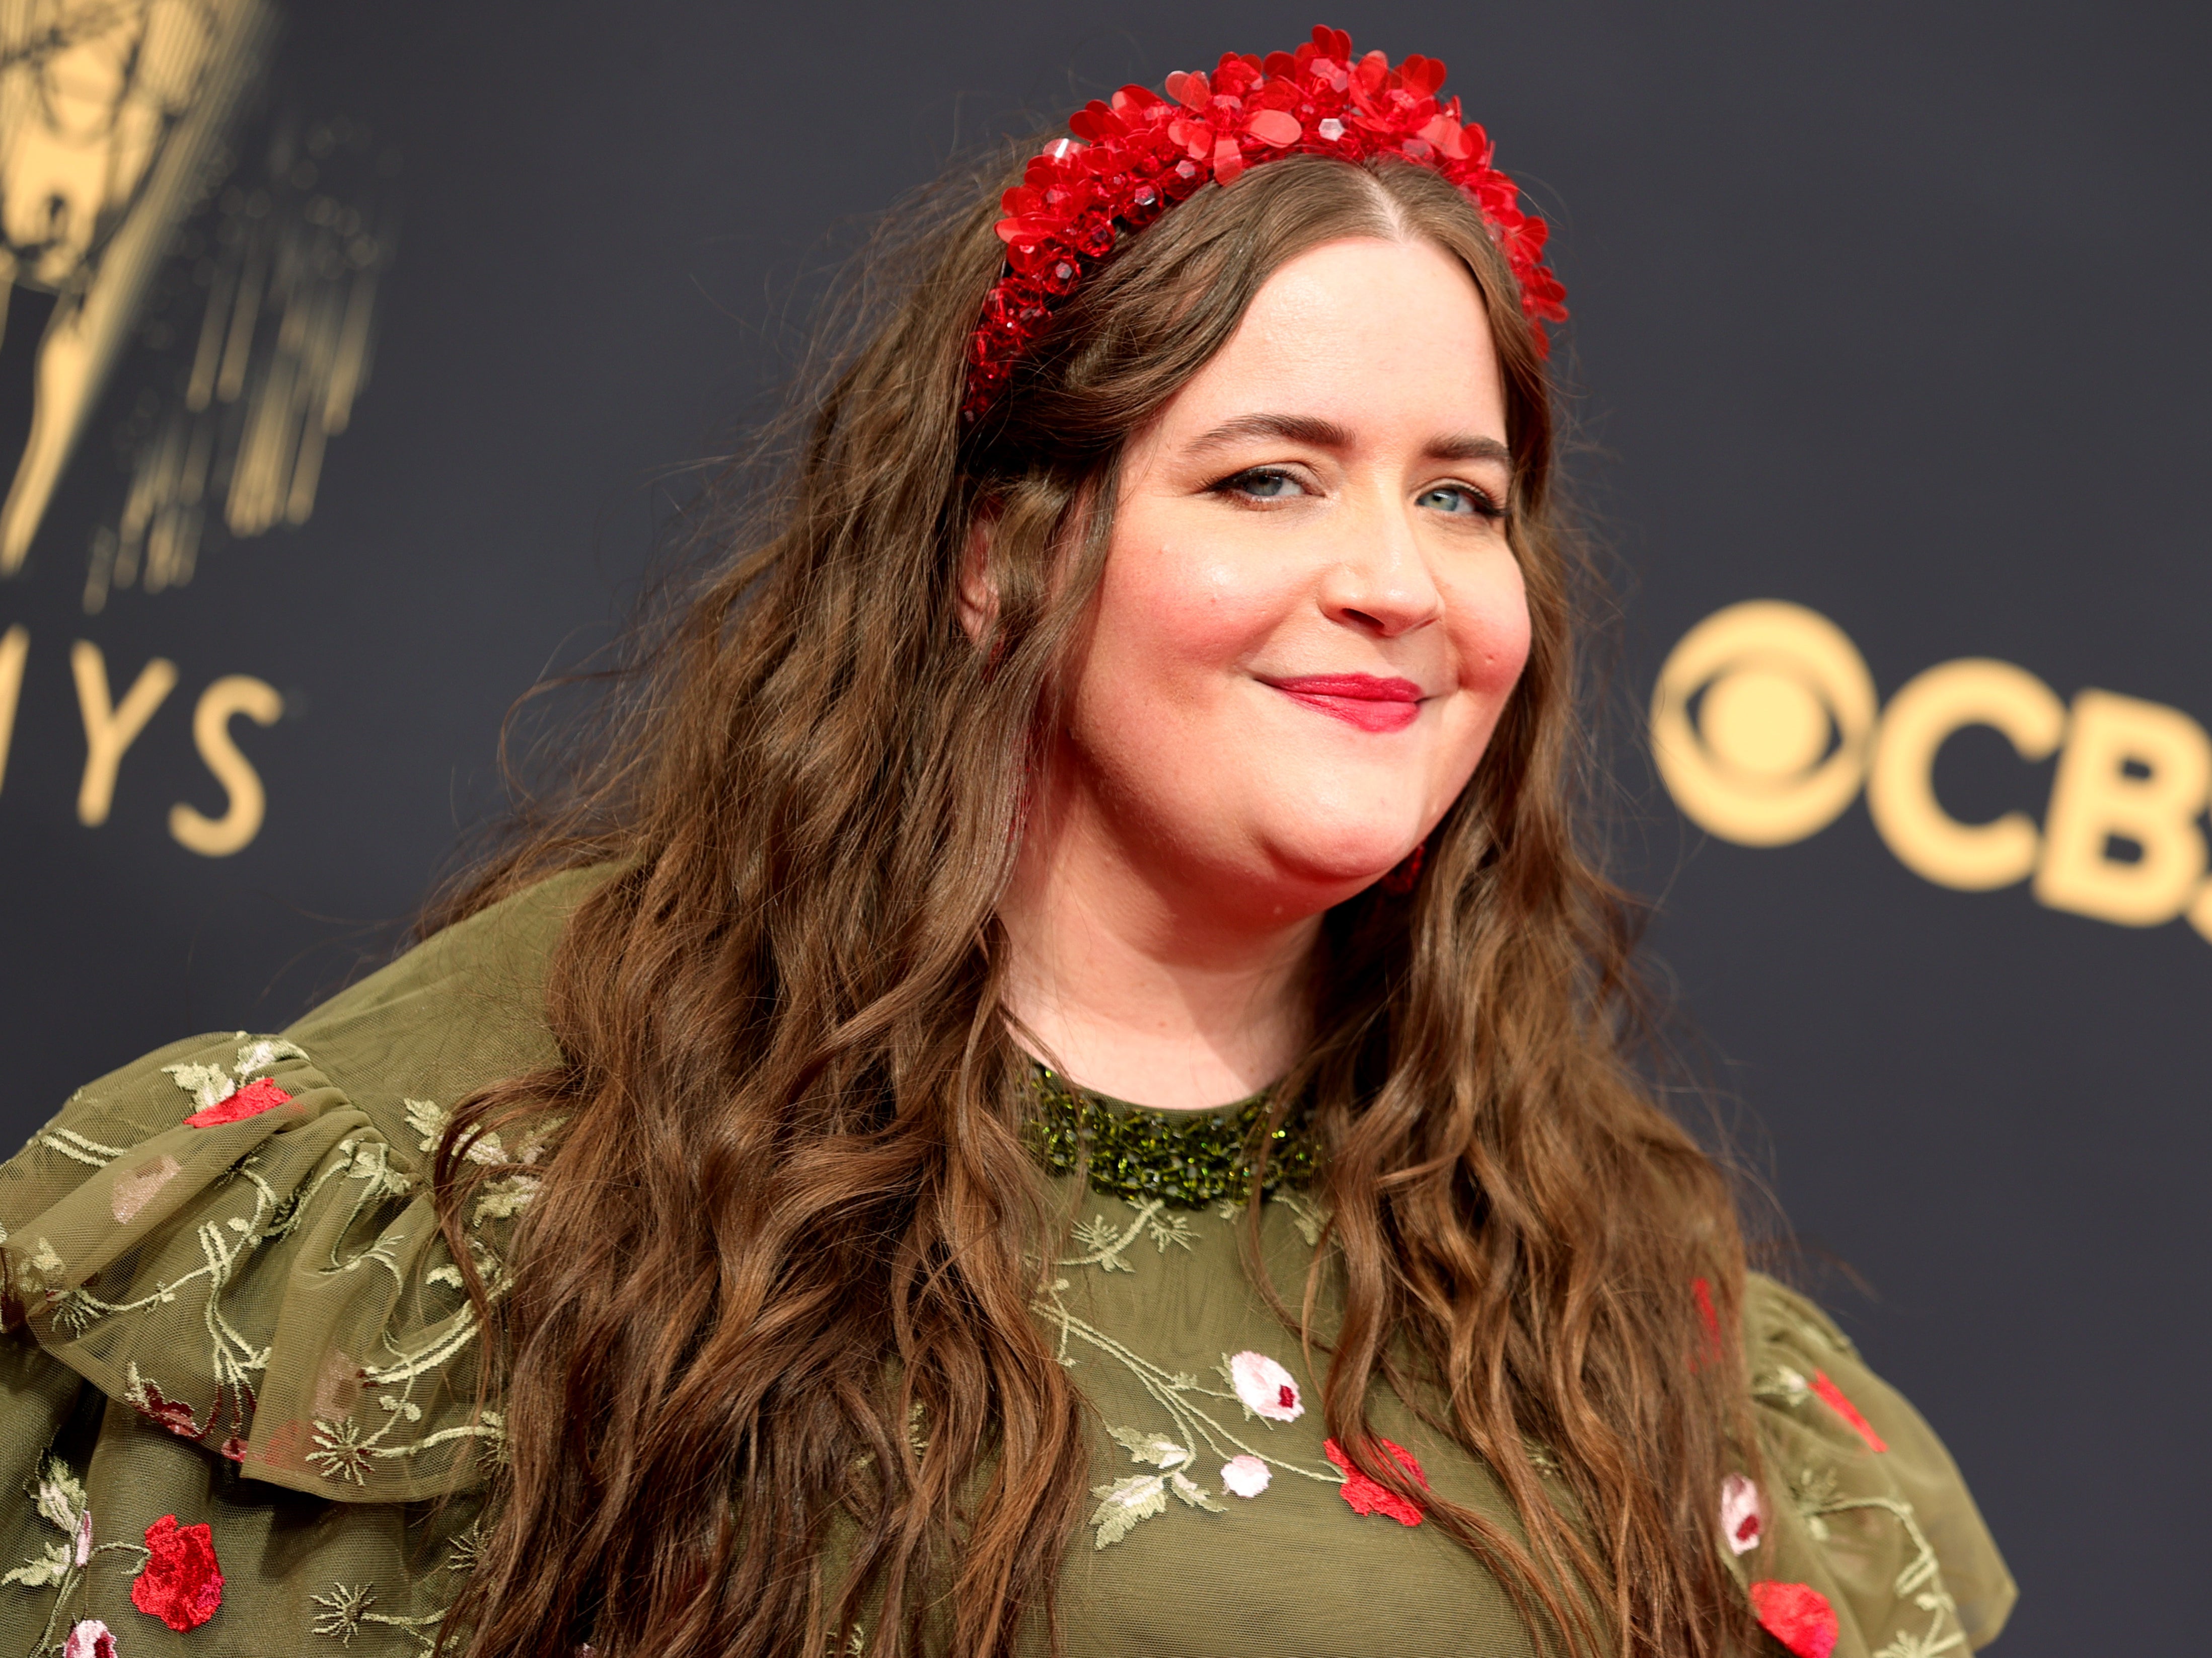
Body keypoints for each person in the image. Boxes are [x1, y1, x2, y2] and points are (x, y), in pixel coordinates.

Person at [0, 27, 2013, 1658]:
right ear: (998, 553)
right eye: (1268, 475)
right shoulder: (529, 1124)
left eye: (1465, 498)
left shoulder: (1592, 1262)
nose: (1397, 578)